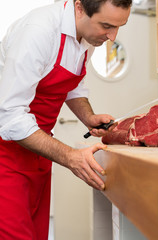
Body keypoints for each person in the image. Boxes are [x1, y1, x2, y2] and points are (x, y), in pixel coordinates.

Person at [0, 0, 132, 239]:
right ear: (79, 8)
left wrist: (88, 117)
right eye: (106, 25)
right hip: (5, 153)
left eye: (118, 26)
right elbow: (10, 117)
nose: (112, 37)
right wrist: (70, 157)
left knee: (37, 234)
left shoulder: (88, 37)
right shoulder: (38, 31)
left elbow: (73, 87)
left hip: (37, 150)